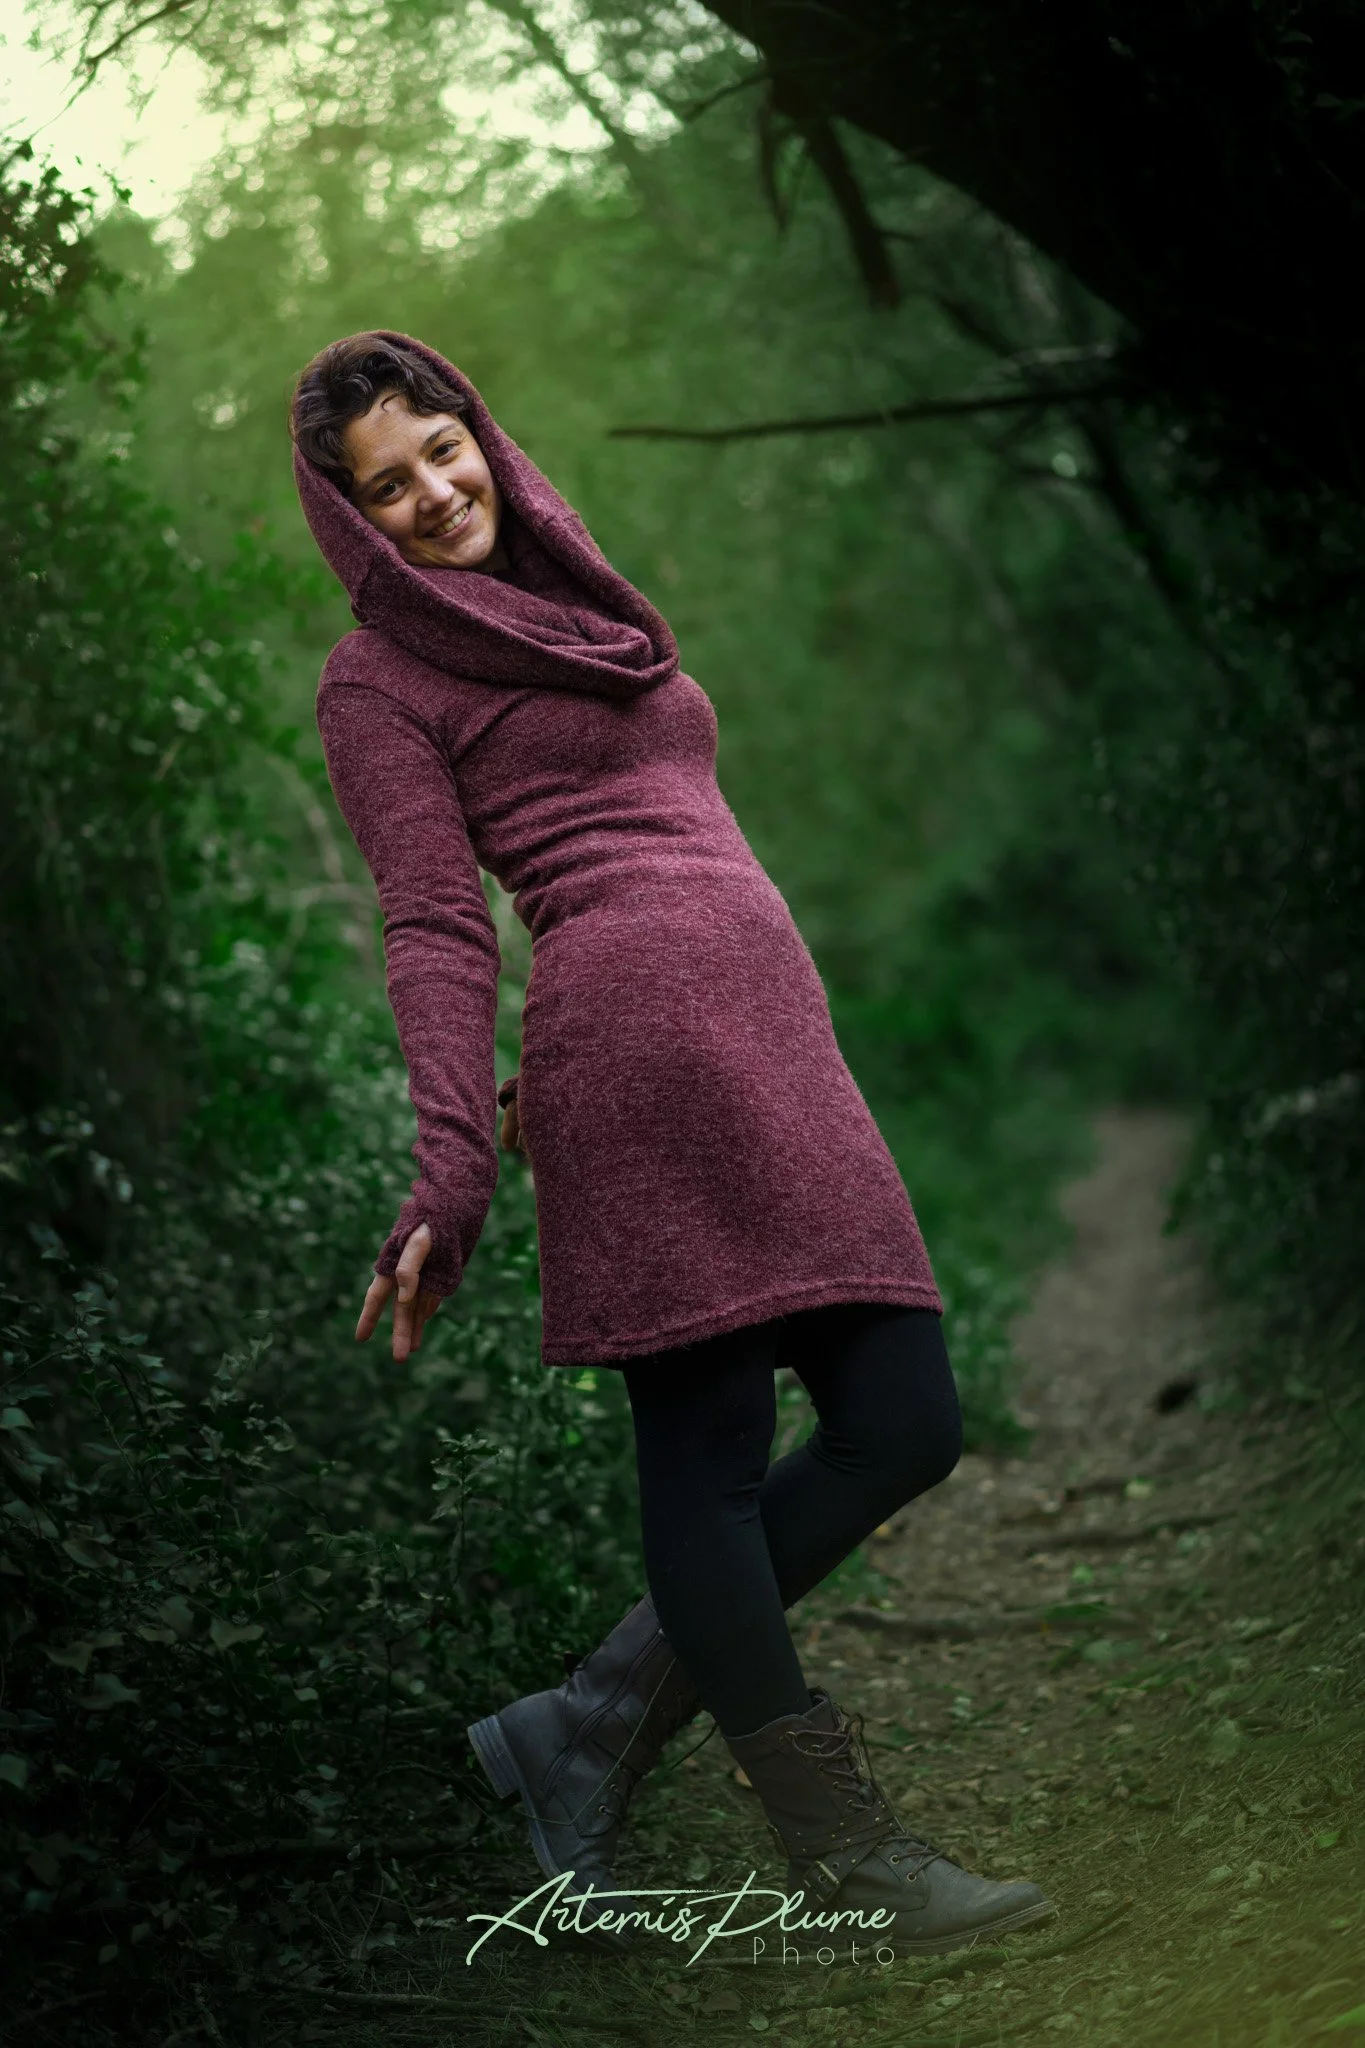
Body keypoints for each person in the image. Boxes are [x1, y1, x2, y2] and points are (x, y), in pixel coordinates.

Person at [289, 331, 1053, 1954]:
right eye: (388, 488)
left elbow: (687, 814)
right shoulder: (378, 679)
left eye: (443, 449)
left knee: (904, 1419)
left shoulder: (585, 601)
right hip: (630, 1055)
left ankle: (586, 1723)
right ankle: (843, 1853)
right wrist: (454, 1165)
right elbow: (435, 922)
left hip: (772, 1042)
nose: (433, 494)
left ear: (482, 432)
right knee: (705, 1464)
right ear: (351, 519)